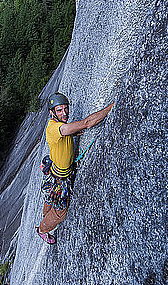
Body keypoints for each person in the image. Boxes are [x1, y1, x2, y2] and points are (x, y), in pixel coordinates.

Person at [36, 92, 114, 244]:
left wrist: (73, 134)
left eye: (66, 108)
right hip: (61, 178)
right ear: (52, 113)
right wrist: (112, 106)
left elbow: (65, 132)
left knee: (50, 199)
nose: (64, 113)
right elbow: (86, 123)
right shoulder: (55, 129)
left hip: (55, 173)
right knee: (60, 212)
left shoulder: (61, 127)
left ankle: (45, 215)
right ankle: (42, 230)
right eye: (59, 110)